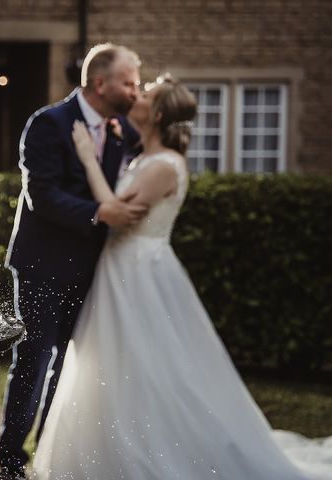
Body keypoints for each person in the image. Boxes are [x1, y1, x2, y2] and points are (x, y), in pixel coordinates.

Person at [32, 75, 330, 479]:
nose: (137, 96)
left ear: (155, 114)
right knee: (110, 367)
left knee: (147, 369)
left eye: (146, 94)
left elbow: (117, 212)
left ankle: (152, 451)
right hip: (119, 270)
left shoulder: (164, 166)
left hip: (140, 274)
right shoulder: (141, 158)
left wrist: (87, 157)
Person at [0, 44, 146, 477]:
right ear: (101, 83)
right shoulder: (49, 124)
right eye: (128, 83)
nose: (135, 92)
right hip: (44, 263)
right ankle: (10, 456)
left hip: (98, 267)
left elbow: (146, 159)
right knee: (35, 358)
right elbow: (42, 195)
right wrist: (99, 213)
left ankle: (50, 449)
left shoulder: (125, 130)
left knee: (72, 364)